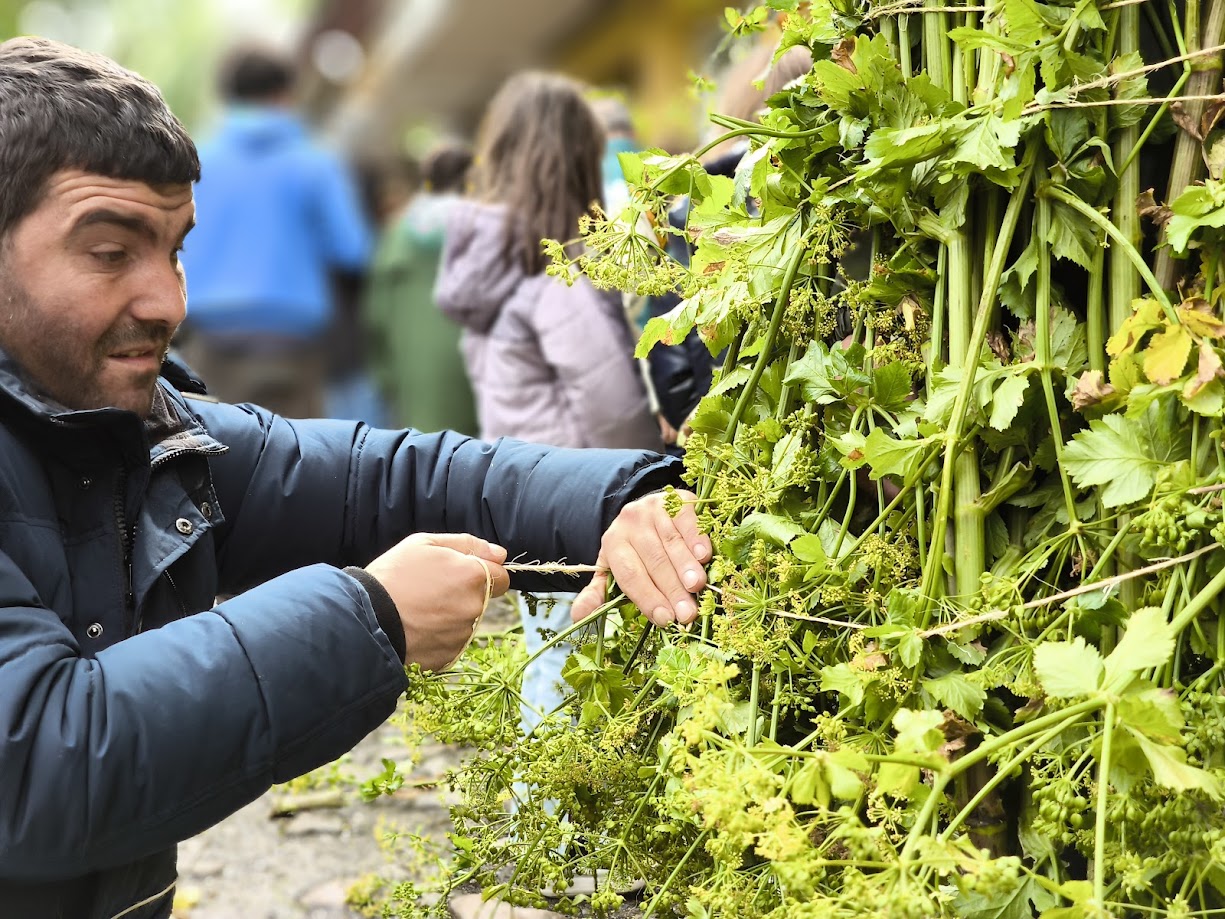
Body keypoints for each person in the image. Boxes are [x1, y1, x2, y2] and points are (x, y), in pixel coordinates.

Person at [0, 37, 709, 919]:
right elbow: (37, 762)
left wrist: (629, 496)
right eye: (110, 251)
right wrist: (369, 614)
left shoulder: (143, 434)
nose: (171, 302)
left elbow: (385, 478)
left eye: (177, 249)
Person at [434, 71, 664, 741]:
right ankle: (561, 832)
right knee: (574, 670)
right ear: (574, 160)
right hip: (577, 497)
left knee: (550, 660)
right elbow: (616, 406)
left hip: (520, 487)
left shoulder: (489, 257)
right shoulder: (549, 272)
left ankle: (544, 812)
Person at [177, 42, 373, 419]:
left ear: (228, 97)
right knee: (297, 463)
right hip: (294, 344)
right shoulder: (316, 162)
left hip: (210, 344)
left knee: (217, 462)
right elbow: (353, 249)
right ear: (285, 95)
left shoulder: (195, 162)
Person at [645, 40, 814, 445]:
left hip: (730, 452)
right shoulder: (830, 204)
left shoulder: (687, 217)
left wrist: (701, 420)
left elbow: (669, 363)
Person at [363, 143, 479, 433]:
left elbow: (377, 313)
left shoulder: (397, 233)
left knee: (431, 460)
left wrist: (385, 374)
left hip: (415, 366)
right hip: (478, 360)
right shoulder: (487, 228)